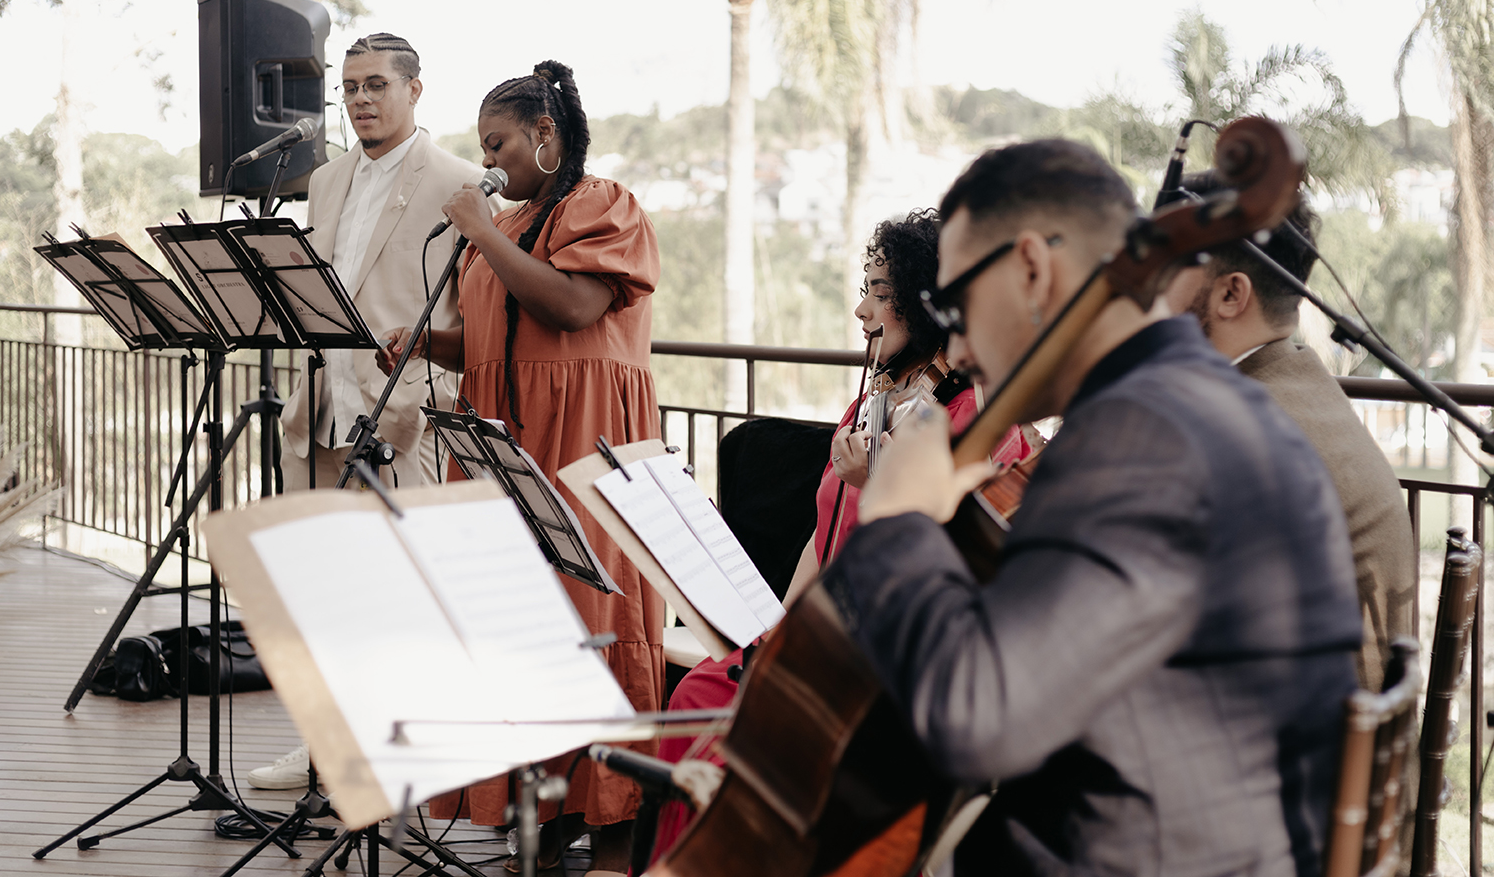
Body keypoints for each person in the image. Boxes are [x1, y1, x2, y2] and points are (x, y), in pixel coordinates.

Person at [820, 139, 1361, 876]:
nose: (960, 347)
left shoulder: (1143, 435)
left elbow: (976, 718)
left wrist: (896, 519)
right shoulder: (1204, 401)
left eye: (955, 304)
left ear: (1033, 270)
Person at [647, 209, 1036, 863]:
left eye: (882, 293)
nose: (862, 310)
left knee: (734, 736)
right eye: (867, 288)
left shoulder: (973, 416)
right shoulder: (871, 401)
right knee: (698, 692)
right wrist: (778, 635)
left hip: (882, 664)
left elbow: (949, 556)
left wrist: (874, 479)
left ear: (929, 300)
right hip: (820, 634)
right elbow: (819, 534)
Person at [381, 60, 662, 874]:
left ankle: (614, 820)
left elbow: (571, 308)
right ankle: (545, 814)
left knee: (593, 617)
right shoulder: (510, 222)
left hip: (585, 438)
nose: (489, 162)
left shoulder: (604, 205)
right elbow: (499, 333)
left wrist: (481, 230)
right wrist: (427, 343)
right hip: (501, 436)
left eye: (498, 144)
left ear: (546, 134)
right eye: (482, 147)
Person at [250, 32, 486, 791]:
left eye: (376, 84)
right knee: (319, 588)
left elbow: (465, 315)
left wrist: (433, 395)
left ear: (415, 90)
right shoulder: (323, 181)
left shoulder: (458, 182)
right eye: (350, 87)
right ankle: (323, 748)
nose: (360, 100)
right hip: (319, 407)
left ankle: (398, 754)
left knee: (400, 594)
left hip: (400, 416)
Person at [1165, 180, 1416, 692]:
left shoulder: (1239, 428)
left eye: (1165, 269)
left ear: (1231, 294)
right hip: (1358, 748)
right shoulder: (1298, 383)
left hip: (1305, 757)